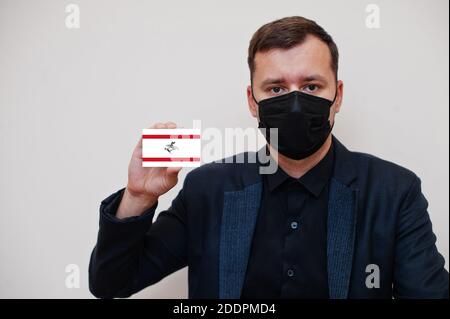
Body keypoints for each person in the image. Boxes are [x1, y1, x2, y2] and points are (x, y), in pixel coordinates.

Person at [88, 16, 449, 299]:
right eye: (276, 88)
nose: (294, 103)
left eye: (311, 87)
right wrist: (138, 197)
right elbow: (111, 282)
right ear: (252, 100)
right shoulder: (207, 189)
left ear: (337, 97)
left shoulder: (393, 192)